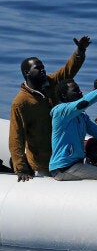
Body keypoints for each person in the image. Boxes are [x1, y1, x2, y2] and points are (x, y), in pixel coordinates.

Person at [9, 36, 90, 181]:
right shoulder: (21, 103)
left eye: (43, 67)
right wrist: (21, 169)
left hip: (64, 158)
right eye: (38, 68)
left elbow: (68, 71)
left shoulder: (51, 82)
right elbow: (16, 137)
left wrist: (80, 51)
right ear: (27, 73)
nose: (43, 70)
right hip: (42, 165)